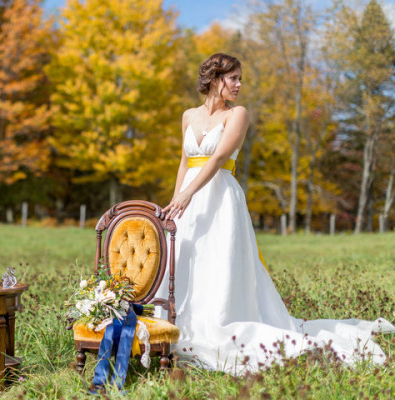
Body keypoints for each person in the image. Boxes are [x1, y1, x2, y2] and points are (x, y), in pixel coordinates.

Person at [155, 53, 394, 375]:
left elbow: (218, 157)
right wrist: (175, 202)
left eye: (240, 78)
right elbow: (185, 162)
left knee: (218, 258)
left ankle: (220, 320)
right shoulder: (188, 116)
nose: (239, 85)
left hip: (220, 195)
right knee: (186, 257)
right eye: (233, 78)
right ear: (214, 78)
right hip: (188, 198)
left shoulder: (238, 114)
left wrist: (188, 192)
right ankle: (178, 322)